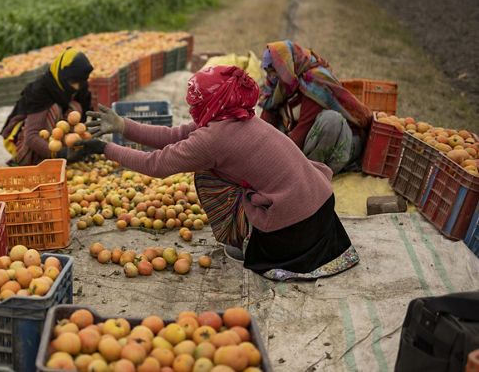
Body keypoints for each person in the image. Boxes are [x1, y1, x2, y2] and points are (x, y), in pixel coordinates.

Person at [82, 65, 359, 281]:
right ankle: (253, 233)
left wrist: (104, 149)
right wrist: (122, 126)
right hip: (320, 211)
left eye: (196, 101)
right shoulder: (237, 114)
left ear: (211, 101)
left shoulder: (214, 139)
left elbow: (157, 164)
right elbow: (175, 135)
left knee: (206, 176)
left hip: (294, 231)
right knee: (220, 171)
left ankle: (245, 242)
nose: (192, 107)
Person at [259, 40, 372, 174]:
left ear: (285, 66)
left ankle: (313, 174)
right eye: (268, 72)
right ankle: (298, 165)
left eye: (273, 71)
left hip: (338, 145)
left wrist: (279, 163)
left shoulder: (314, 81)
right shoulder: (283, 82)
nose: (270, 76)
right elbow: (266, 121)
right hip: (305, 139)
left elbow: (303, 128)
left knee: (331, 120)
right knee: (271, 130)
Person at [1, 48, 93, 165]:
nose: (76, 87)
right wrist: (59, 153)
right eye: (72, 81)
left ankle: (63, 156)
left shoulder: (80, 84)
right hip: (23, 138)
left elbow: (83, 121)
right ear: (62, 74)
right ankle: (34, 159)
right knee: (54, 110)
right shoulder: (41, 90)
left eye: (79, 82)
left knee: (75, 108)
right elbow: (31, 136)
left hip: (51, 137)